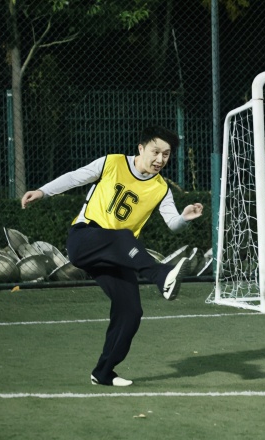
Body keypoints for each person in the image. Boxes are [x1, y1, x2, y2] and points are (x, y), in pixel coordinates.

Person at [20, 125, 204, 387]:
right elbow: (75, 177)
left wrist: (184, 218)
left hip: (117, 253)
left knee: (131, 312)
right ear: (141, 148)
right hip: (85, 239)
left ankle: (104, 372)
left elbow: (173, 223)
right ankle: (160, 275)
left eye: (166, 154)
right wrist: (42, 191)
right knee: (123, 236)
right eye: (155, 152)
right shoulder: (112, 163)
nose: (160, 159)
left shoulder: (161, 188)